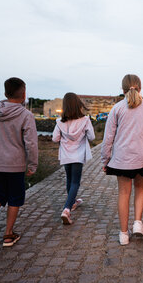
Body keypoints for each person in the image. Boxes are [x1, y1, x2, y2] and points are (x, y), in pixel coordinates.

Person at [101, 74, 143, 246]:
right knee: (140, 188)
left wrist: (105, 160)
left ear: (122, 89)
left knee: (123, 194)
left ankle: (123, 234)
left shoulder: (117, 108)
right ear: (140, 87)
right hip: (141, 158)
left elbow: (108, 138)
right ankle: (137, 223)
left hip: (121, 159)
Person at [0, 77, 38, 250]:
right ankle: (8, 234)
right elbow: (31, 143)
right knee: (14, 198)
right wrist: (32, 165)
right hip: (14, 164)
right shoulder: (26, 115)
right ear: (24, 93)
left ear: (5, 93)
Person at [52, 92, 95, 225]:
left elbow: (55, 139)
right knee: (75, 182)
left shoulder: (59, 122)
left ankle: (73, 202)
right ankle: (67, 209)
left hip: (66, 154)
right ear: (78, 105)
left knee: (69, 180)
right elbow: (92, 137)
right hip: (78, 154)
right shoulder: (85, 120)